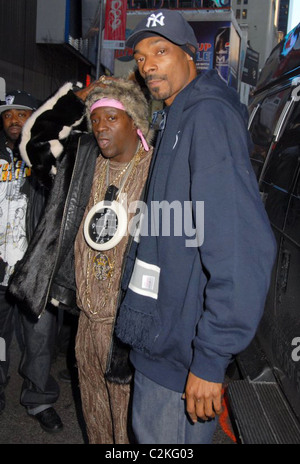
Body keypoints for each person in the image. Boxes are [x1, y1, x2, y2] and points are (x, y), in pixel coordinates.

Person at [114, 9, 277, 444]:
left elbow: (240, 246)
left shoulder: (206, 118)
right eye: (141, 55)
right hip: (164, 340)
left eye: (161, 51)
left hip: (181, 355)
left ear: (192, 56)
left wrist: (210, 357)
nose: (147, 64)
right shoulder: (176, 116)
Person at [8, 77, 153, 443]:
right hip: (86, 318)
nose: (100, 126)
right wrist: (80, 98)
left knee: (130, 419)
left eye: (111, 117)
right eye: (95, 118)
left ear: (135, 121)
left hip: (129, 323)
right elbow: (34, 143)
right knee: (94, 412)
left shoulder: (156, 166)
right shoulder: (83, 157)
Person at [0, 90, 63, 432]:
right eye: (8, 115)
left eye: (21, 114)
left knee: (39, 339)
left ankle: (39, 400)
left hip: (34, 268)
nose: (13, 120)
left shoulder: (45, 157)